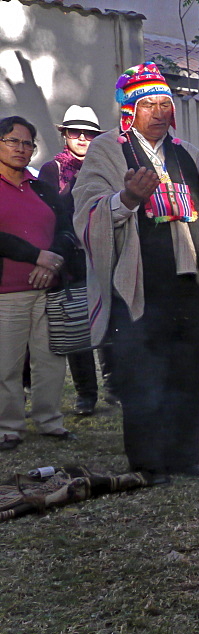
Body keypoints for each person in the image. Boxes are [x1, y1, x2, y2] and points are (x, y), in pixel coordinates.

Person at [73, 62, 199, 484]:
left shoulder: (186, 153)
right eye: (150, 104)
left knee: (185, 369)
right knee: (142, 369)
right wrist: (126, 197)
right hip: (139, 282)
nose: (161, 112)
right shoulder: (107, 149)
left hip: (186, 280)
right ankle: (148, 461)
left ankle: (184, 456)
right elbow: (87, 207)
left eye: (166, 103)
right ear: (130, 109)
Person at [0, 115, 77, 450]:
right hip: (7, 292)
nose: (21, 148)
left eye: (28, 142)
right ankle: (8, 426)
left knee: (51, 360)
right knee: (7, 364)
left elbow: (66, 230)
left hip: (49, 290)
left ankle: (49, 420)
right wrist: (35, 256)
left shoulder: (41, 188)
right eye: (12, 140)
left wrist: (53, 259)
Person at [37, 105, 112, 415]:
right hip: (71, 256)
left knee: (109, 322)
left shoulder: (107, 166)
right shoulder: (51, 170)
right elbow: (50, 215)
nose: (82, 138)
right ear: (64, 135)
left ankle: (116, 387)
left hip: (104, 253)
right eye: (74, 132)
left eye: (89, 133)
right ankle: (86, 394)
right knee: (77, 324)